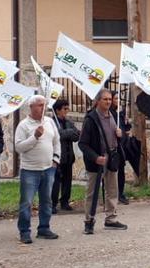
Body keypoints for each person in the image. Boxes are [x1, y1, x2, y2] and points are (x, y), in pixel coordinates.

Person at [78, 88, 128, 234]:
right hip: (96, 160)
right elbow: (83, 144)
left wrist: (120, 135)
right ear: (97, 101)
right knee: (92, 192)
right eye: (105, 99)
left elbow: (119, 138)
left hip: (112, 157)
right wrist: (95, 157)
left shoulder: (113, 115)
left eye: (109, 99)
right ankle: (89, 221)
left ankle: (111, 219)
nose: (108, 101)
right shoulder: (91, 119)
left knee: (112, 189)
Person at [14, 95, 60, 244]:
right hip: (30, 170)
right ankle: (25, 231)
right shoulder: (23, 125)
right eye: (39, 105)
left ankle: (44, 228)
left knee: (46, 200)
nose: (43, 108)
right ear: (31, 107)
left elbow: (56, 141)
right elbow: (19, 147)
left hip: (48, 168)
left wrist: (56, 159)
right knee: (26, 202)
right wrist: (35, 137)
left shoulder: (50, 122)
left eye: (44, 105)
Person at [50, 99, 79, 213]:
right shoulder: (51, 122)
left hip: (68, 156)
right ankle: (53, 204)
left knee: (67, 181)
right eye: (64, 109)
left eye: (67, 108)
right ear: (57, 110)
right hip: (57, 157)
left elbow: (76, 135)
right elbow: (56, 135)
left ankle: (65, 202)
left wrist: (66, 133)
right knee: (55, 182)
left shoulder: (69, 122)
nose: (67, 111)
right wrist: (68, 133)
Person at [110, 91, 133, 206]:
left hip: (122, 146)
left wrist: (127, 122)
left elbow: (126, 127)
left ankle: (121, 193)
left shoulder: (121, 113)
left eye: (118, 99)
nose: (117, 101)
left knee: (121, 171)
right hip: (113, 146)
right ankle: (112, 194)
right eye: (115, 99)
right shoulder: (110, 113)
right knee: (112, 171)